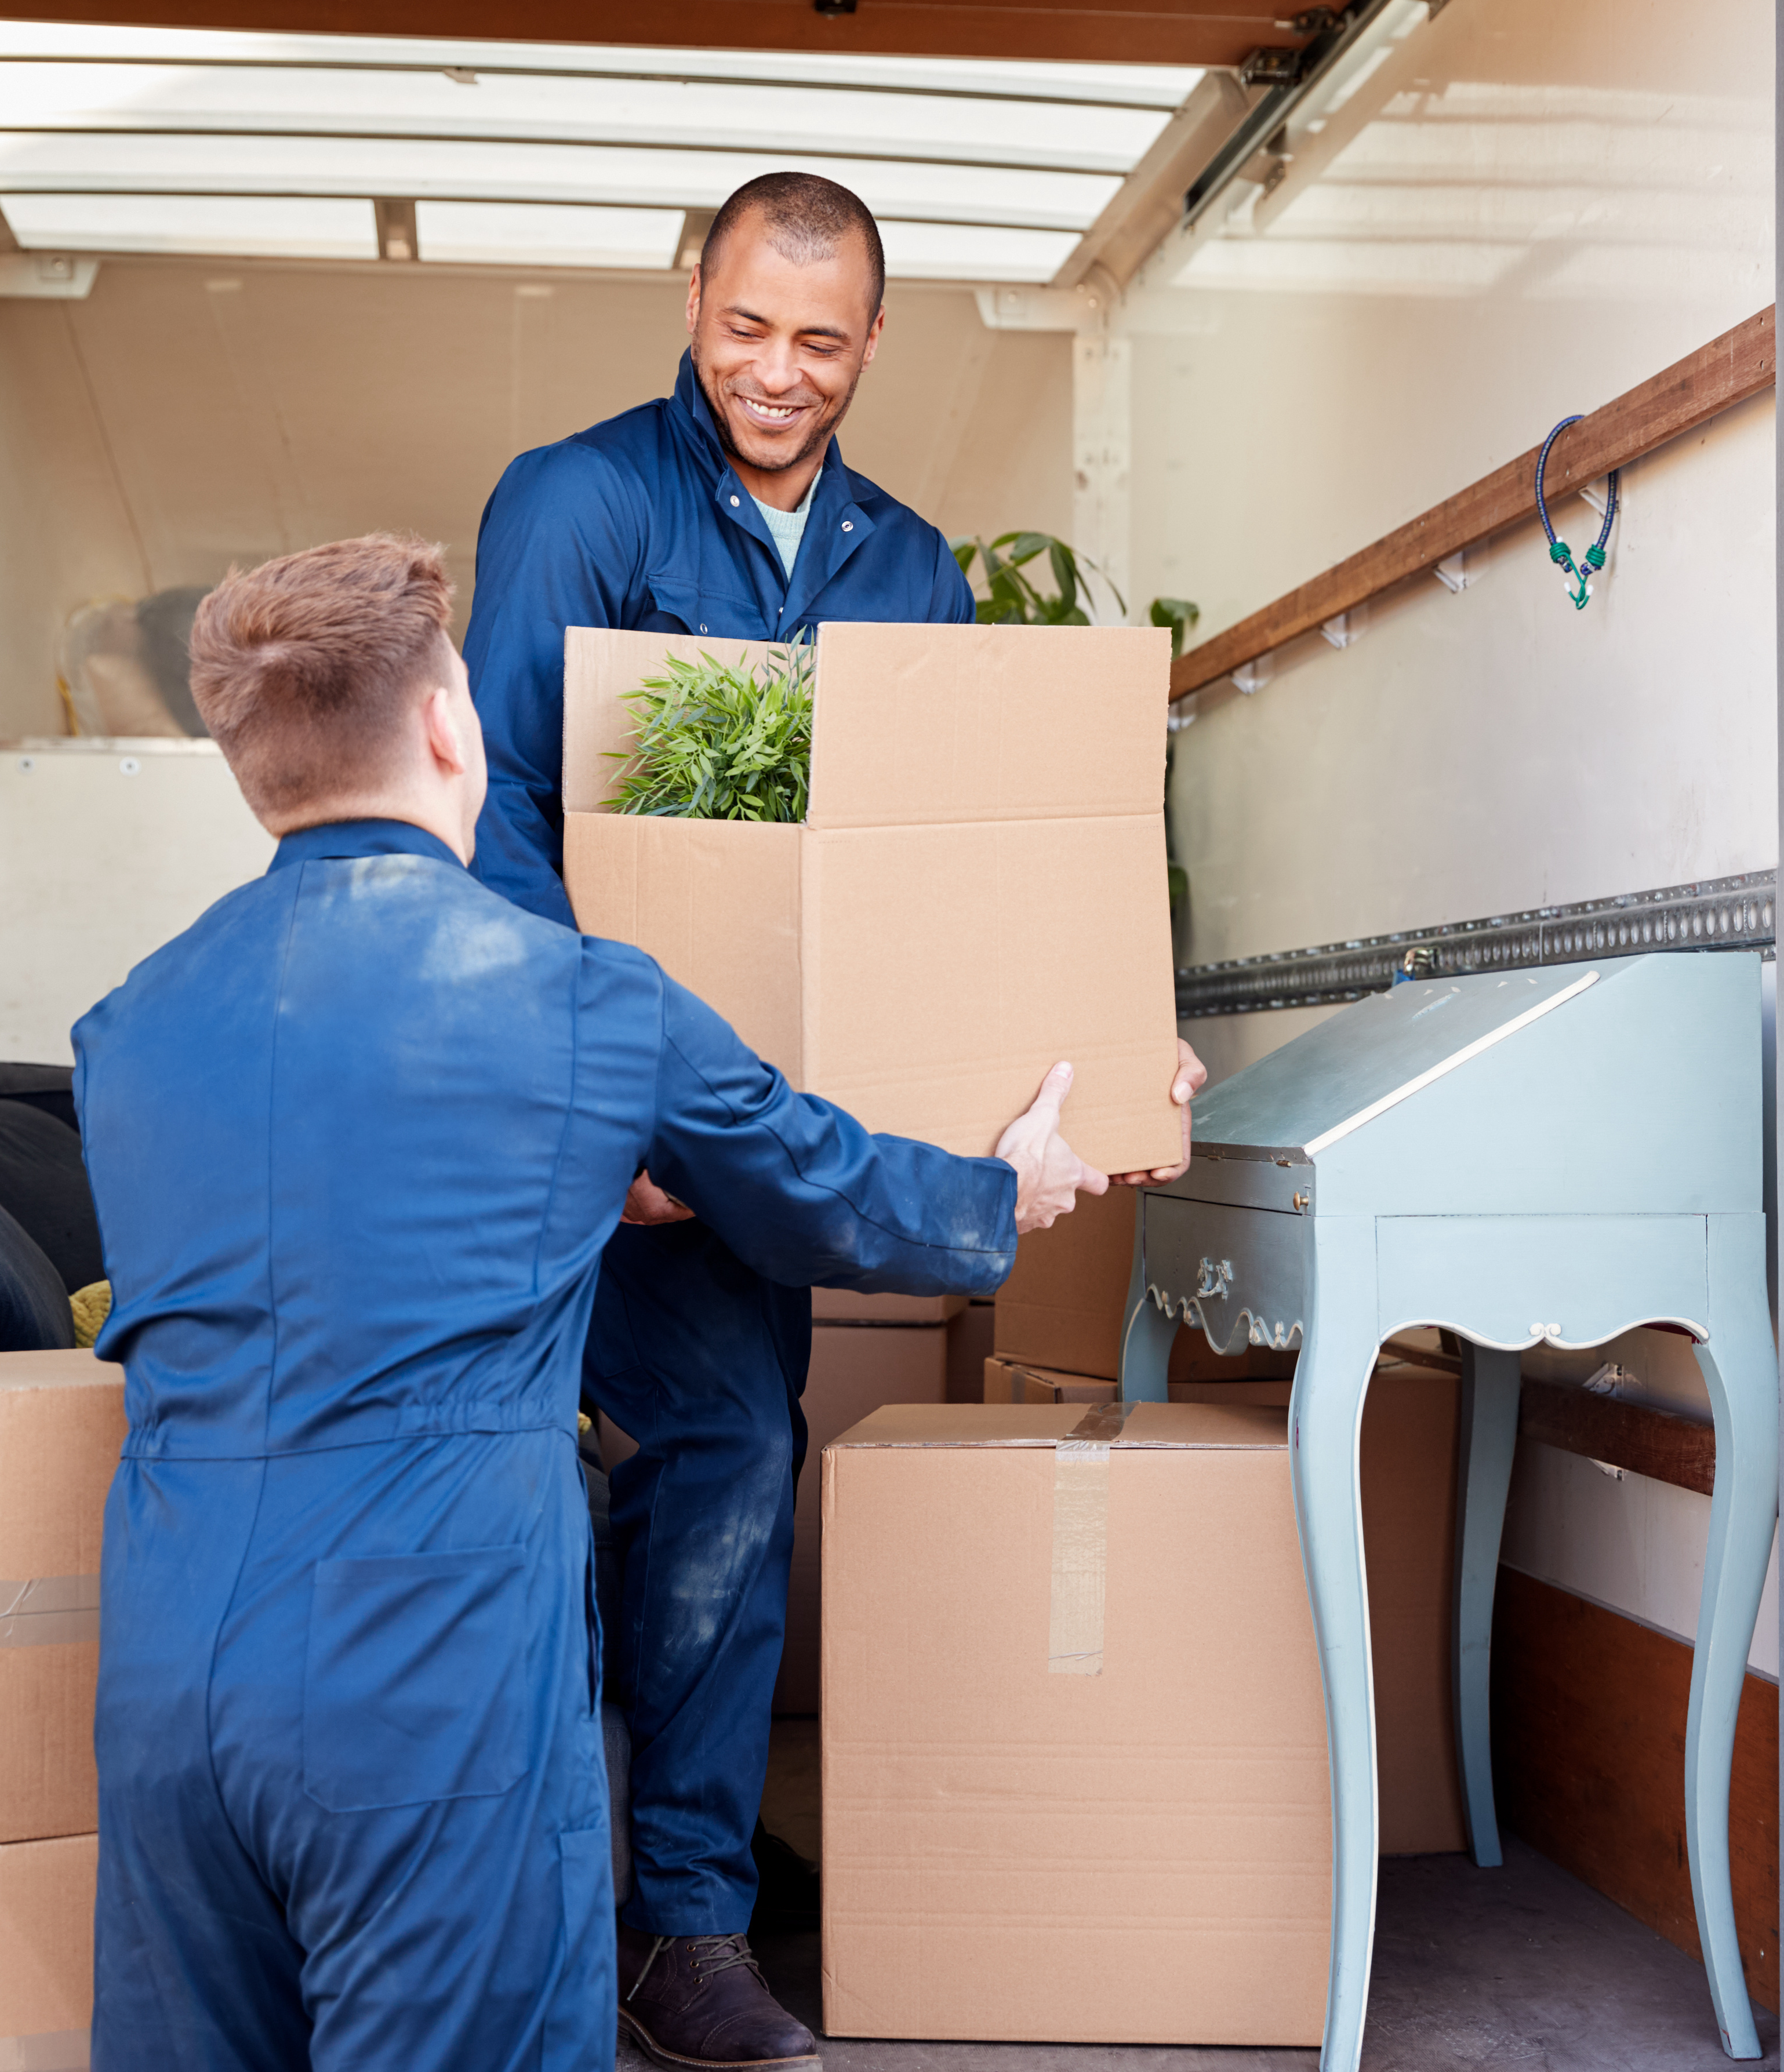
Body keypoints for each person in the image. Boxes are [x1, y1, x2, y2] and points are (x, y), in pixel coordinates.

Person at [75, 533, 1113, 2071]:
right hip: (424, 1673)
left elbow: (330, 1205)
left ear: (252, 770)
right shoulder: (582, 1001)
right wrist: (999, 1187)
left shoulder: (125, 1026)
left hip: (165, 1673)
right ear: (448, 726)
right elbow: (814, 1182)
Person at [464, 172, 1205, 2066]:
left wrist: (1110, 1050)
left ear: (872, 344)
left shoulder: (912, 569)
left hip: (774, 1135)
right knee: (527, 1486)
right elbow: (504, 819)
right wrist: (592, 1106)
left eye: (817, 340)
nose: (774, 374)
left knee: (722, 1464)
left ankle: (683, 1926)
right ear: (688, 303)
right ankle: (550, 1904)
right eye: (742, 328)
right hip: (585, 1121)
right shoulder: (580, 503)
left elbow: (961, 876)